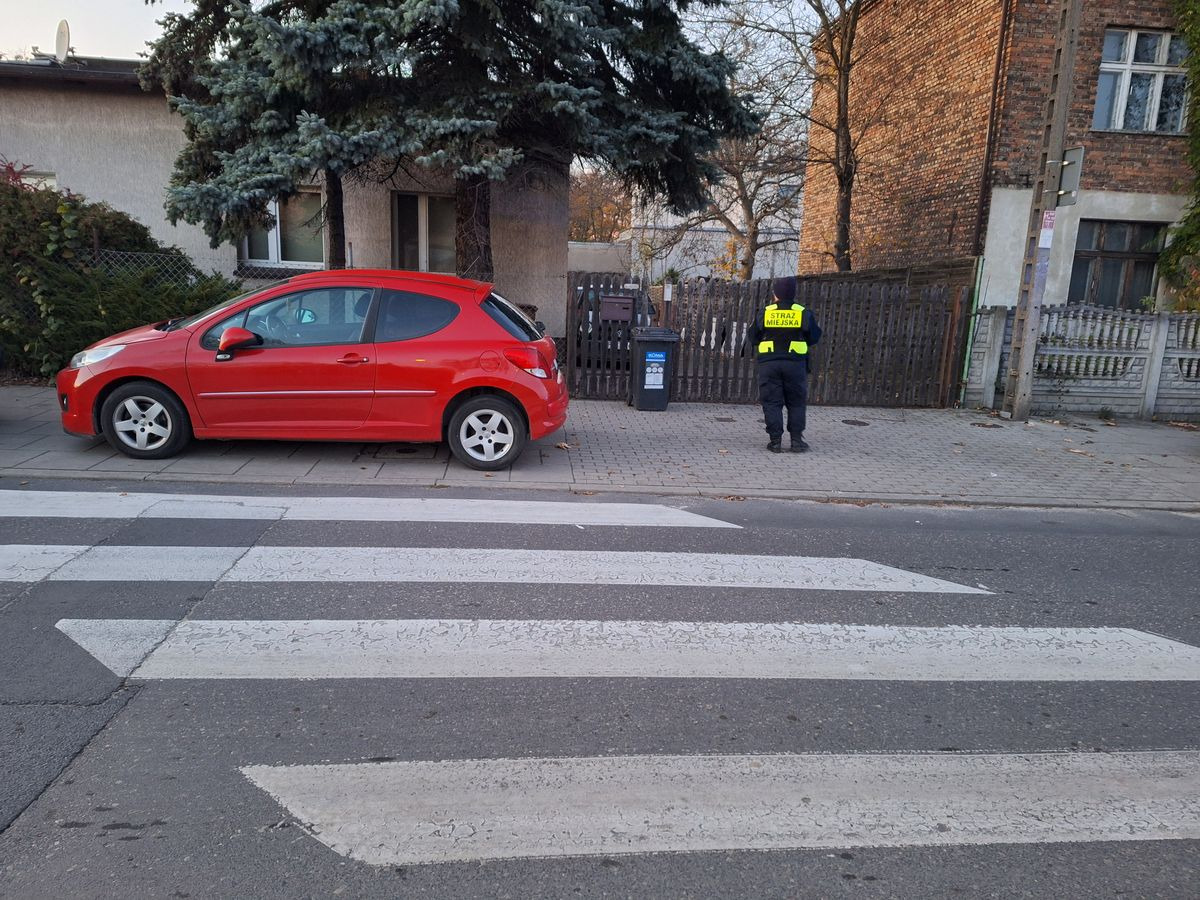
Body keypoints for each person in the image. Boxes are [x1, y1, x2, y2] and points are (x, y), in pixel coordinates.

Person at [748, 276, 821, 453]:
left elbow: (753, 336)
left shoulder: (766, 312)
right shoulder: (802, 312)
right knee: (796, 402)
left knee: (772, 402)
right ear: (793, 293)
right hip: (795, 364)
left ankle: (775, 442)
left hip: (770, 364)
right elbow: (814, 336)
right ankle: (796, 441)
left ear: (775, 293)